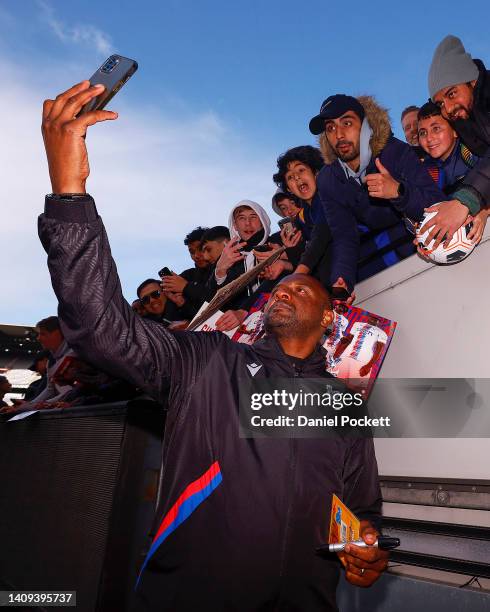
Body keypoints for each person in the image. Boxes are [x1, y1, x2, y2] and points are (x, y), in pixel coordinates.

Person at [40, 79, 388, 611]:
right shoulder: (208, 363)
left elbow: (363, 511)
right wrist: (69, 195)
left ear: (328, 317)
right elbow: (101, 326)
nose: (285, 290)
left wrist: (364, 554)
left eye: (301, 288)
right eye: (281, 286)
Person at [309, 94, 446, 287]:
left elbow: (437, 205)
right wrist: (342, 278)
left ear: (365, 125)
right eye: (330, 128)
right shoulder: (327, 179)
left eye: (346, 123)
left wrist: (398, 192)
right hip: (376, 259)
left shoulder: (394, 151)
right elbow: (344, 235)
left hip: (417, 246)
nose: (338, 135)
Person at [424, 34, 490, 246]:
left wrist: (465, 201)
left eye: (451, 94)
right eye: (440, 103)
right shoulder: (466, 121)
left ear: (472, 80)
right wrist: (484, 209)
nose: (448, 109)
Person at [417, 101, 489, 243]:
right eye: (422, 133)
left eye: (436, 128)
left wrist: (485, 211)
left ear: (455, 131)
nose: (429, 138)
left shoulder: (471, 151)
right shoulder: (425, 170)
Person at [161, 226, 210, 318]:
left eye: (200, 249)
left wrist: (186, 287)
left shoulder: (226, 268)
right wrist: (182, 303)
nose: (196, 255)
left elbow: (219, 302)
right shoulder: (187, 276)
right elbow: (199, 317)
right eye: (192, 252)